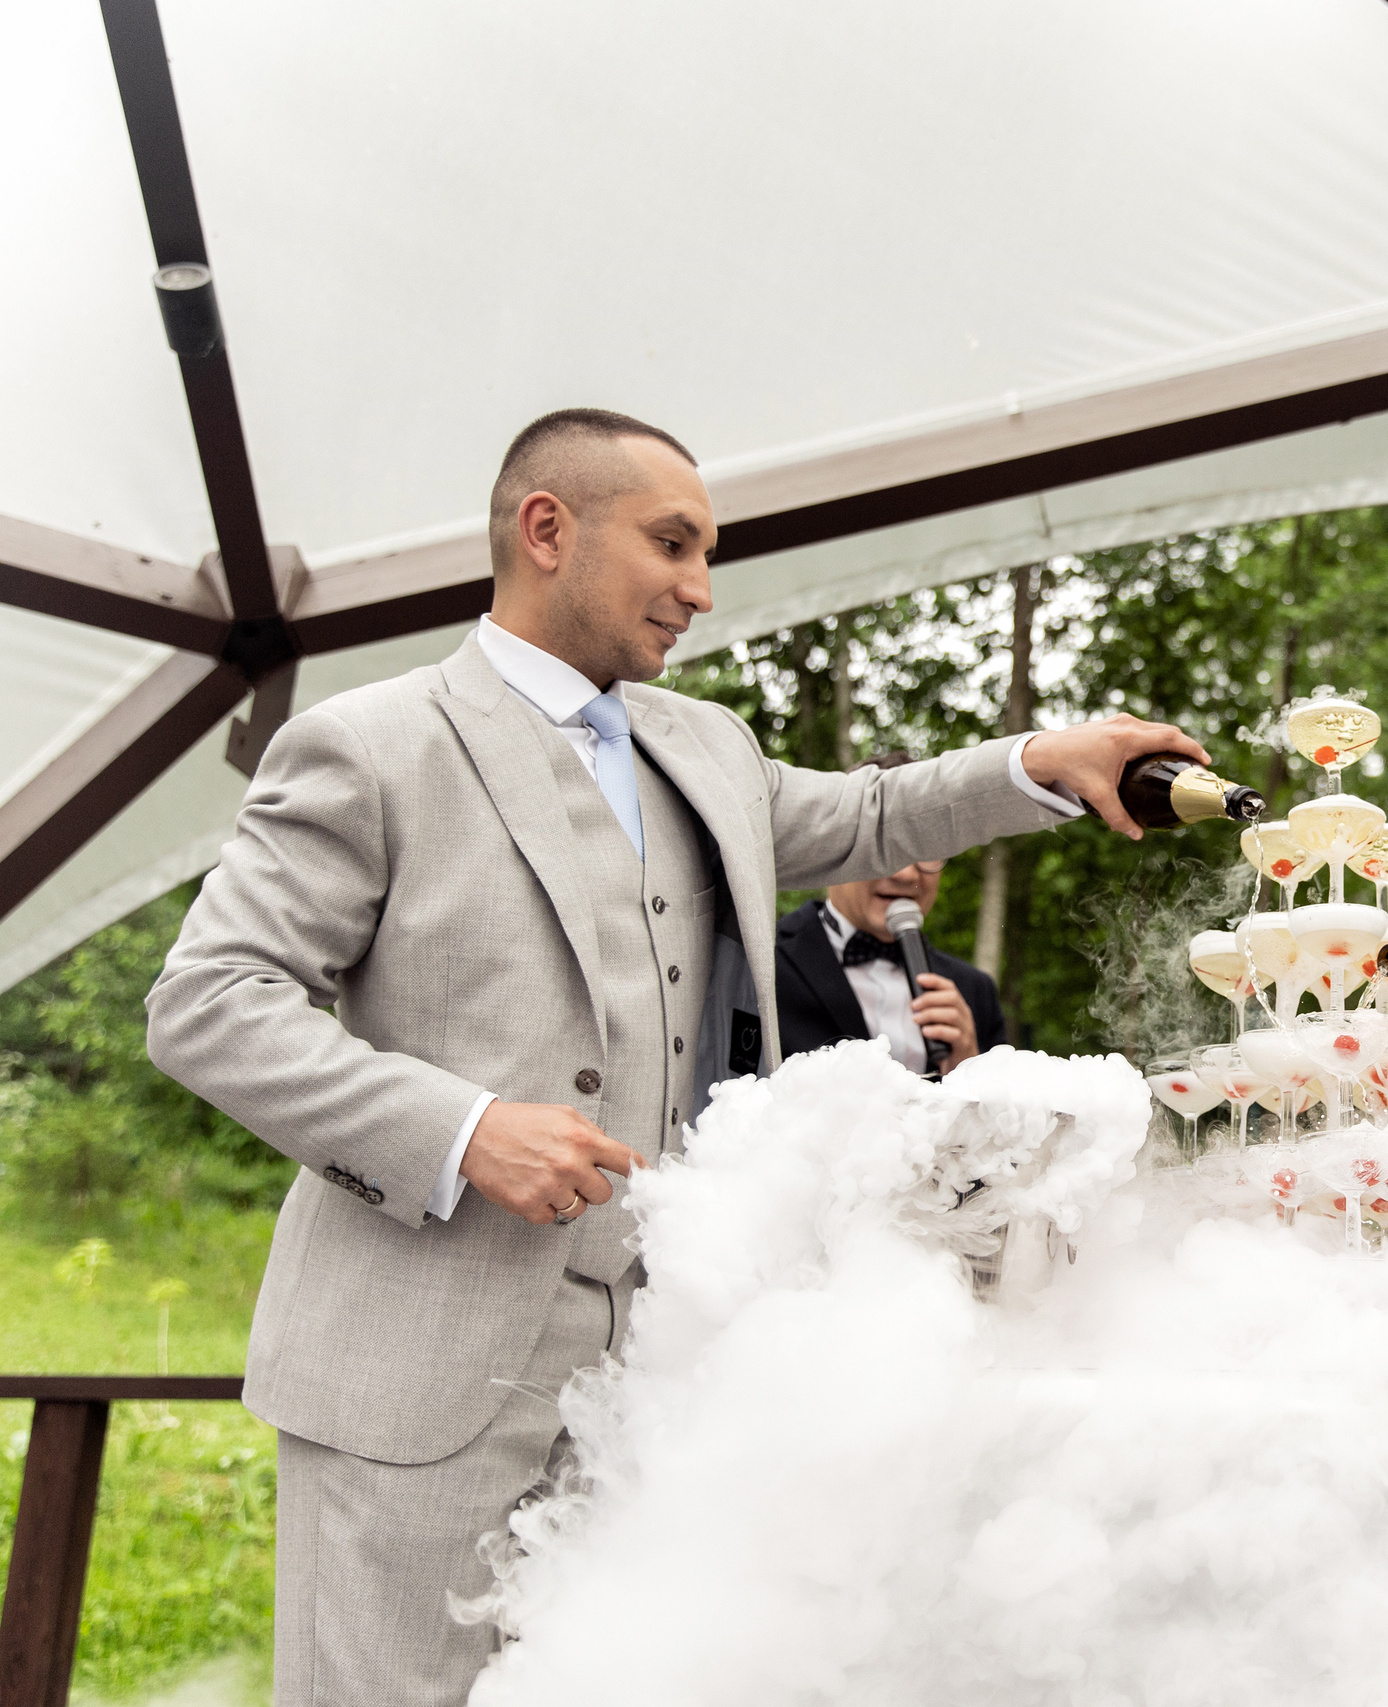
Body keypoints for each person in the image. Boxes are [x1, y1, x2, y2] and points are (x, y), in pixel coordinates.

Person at [143, 407, 1203, 1707]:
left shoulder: (706, 749)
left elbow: (873, 809)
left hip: (646, 1377)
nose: (701, 588)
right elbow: (211, 998)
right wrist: (463, 1126)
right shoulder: (371, 745)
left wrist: (1045, 759)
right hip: (415, 1385)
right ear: (548, 529)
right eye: (672, 544)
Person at [774, 752, 1004, 1072]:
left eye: (927, 851)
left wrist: (970, 1071)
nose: (907, 875)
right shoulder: (761, 966)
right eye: (886, 848)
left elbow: (1000, 1121)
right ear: (836, 845)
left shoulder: (974, 991)